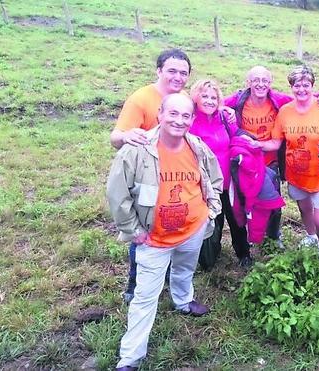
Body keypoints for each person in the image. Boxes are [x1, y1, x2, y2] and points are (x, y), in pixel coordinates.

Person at [107, 93, 223, 371]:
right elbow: (117, 194)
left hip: (193, 229)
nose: (178, 121)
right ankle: (130, 357)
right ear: (160, 113)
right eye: (173, 114)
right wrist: (133, 230)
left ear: (193, 120)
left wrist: (210, 210)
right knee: (145, 296)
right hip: (153, 239)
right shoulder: (137, 150)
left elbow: (214, 179)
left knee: (184, 270)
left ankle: (183, 301)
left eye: (185, 116)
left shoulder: (196, 146)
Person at [109, 48, 192, 304]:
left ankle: (168, 278)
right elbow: (115, 137)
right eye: (172, 71)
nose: (177, 77)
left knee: (169, 223)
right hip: (147, 179)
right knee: (144, 232)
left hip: (174, 177)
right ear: (159, 71)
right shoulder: (142, 99)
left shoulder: (183, 98)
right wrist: (126, 136)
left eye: (183, 72)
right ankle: (135, 287)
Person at [224, 66, 319, 247]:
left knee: (273, 204)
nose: (260, 84)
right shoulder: (239, 100)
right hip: (246, 161)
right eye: (255, 80)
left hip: (270, 161)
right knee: (246, 201)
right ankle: (250, 236)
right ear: (248, 82)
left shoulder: (277, 99)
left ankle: (273, 236)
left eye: (265, 80)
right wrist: (226, 110)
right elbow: (215, 103)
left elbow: (301, 96)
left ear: (270, 83)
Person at [257, 66, 319, 263]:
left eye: (306, 85)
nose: (301, 89)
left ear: (312, 86)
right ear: (291, 87)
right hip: (296, 174)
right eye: (297, 85)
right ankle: (310, 236)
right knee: (304, 210)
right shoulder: (285, 112)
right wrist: (254, 144)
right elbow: (276, 142)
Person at [189, 79, 253, 269]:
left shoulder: (224, 118)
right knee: (211, 223)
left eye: (213, 97)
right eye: (204, 96)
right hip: (204, 186)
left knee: (237, 219)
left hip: (229, 182)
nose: (209, 101)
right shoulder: (190, 121)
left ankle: (244, 253)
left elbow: (237, 137)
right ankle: (209, 257)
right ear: (195, 98)